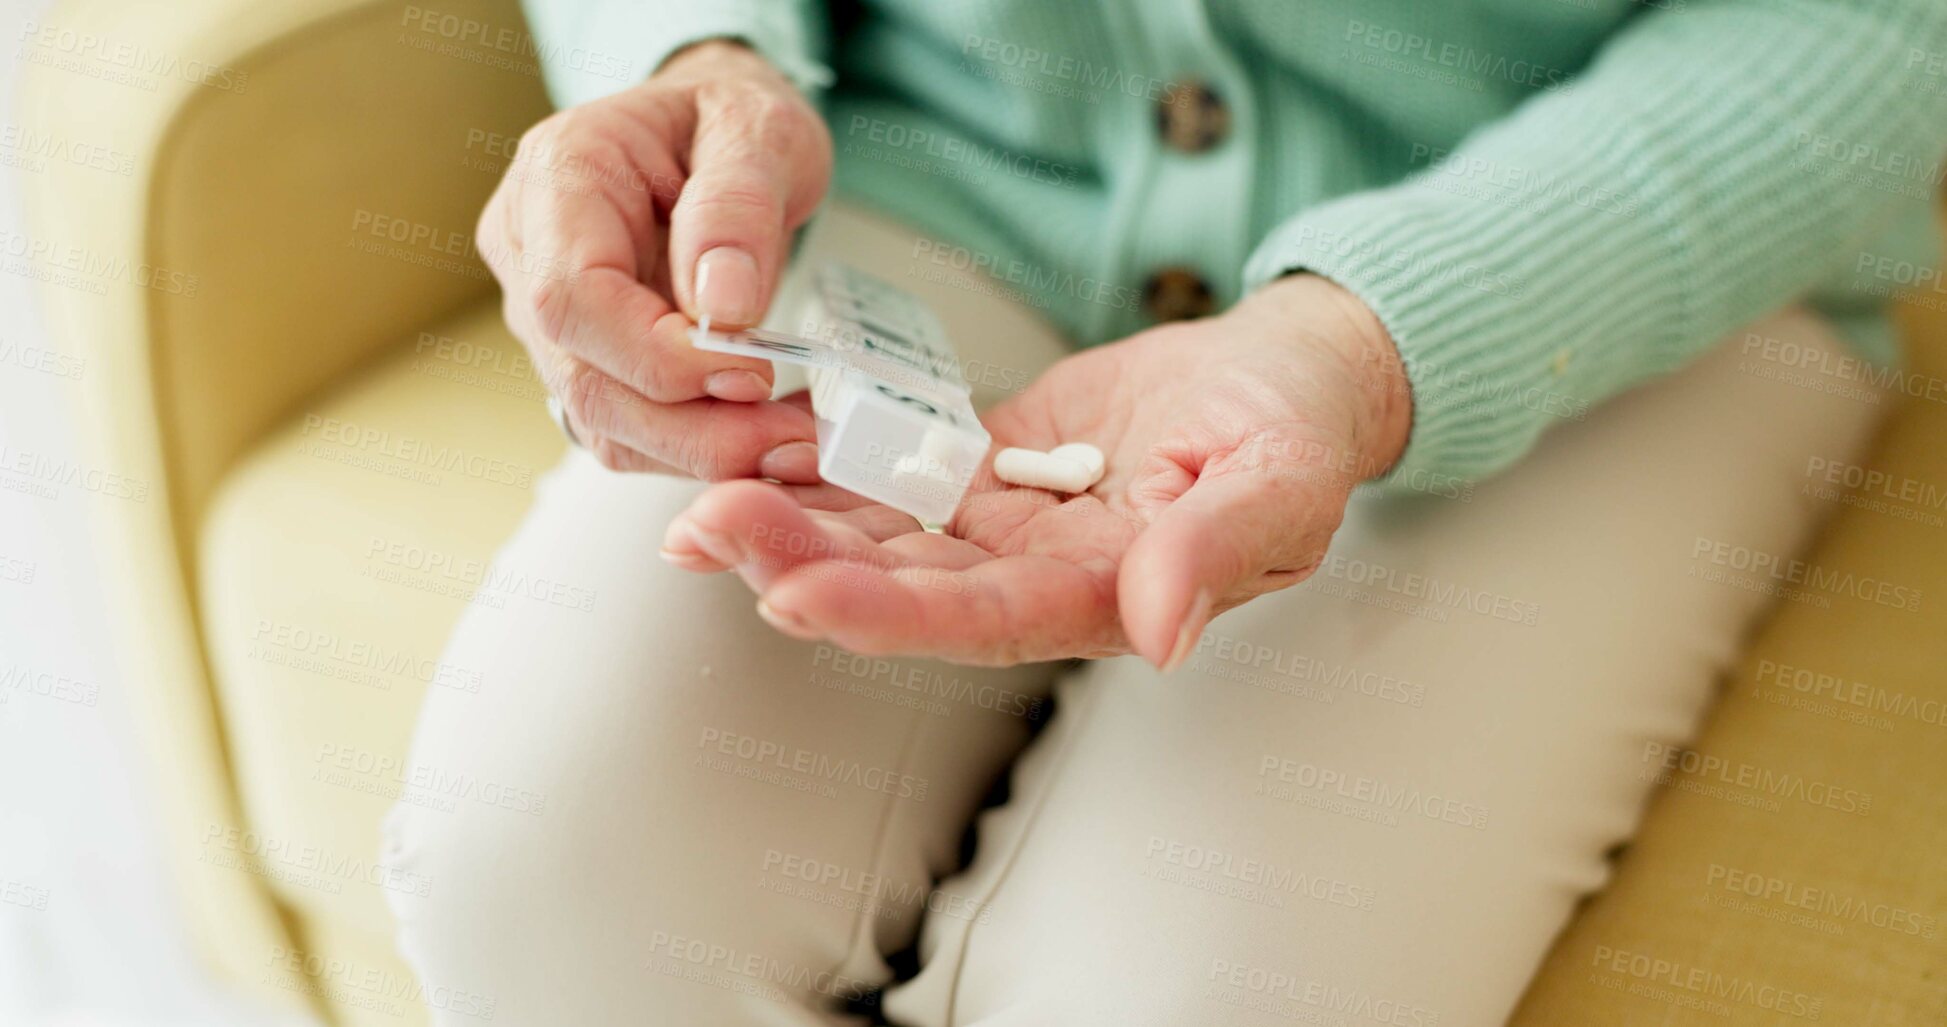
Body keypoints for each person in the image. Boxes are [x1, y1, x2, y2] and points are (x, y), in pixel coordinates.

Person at [380, 3, 1947, 1023]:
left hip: (1603, 243)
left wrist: (1365, 346)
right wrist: (688, 59)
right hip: (928, 153)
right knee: (542, 867)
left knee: (1197, 993)